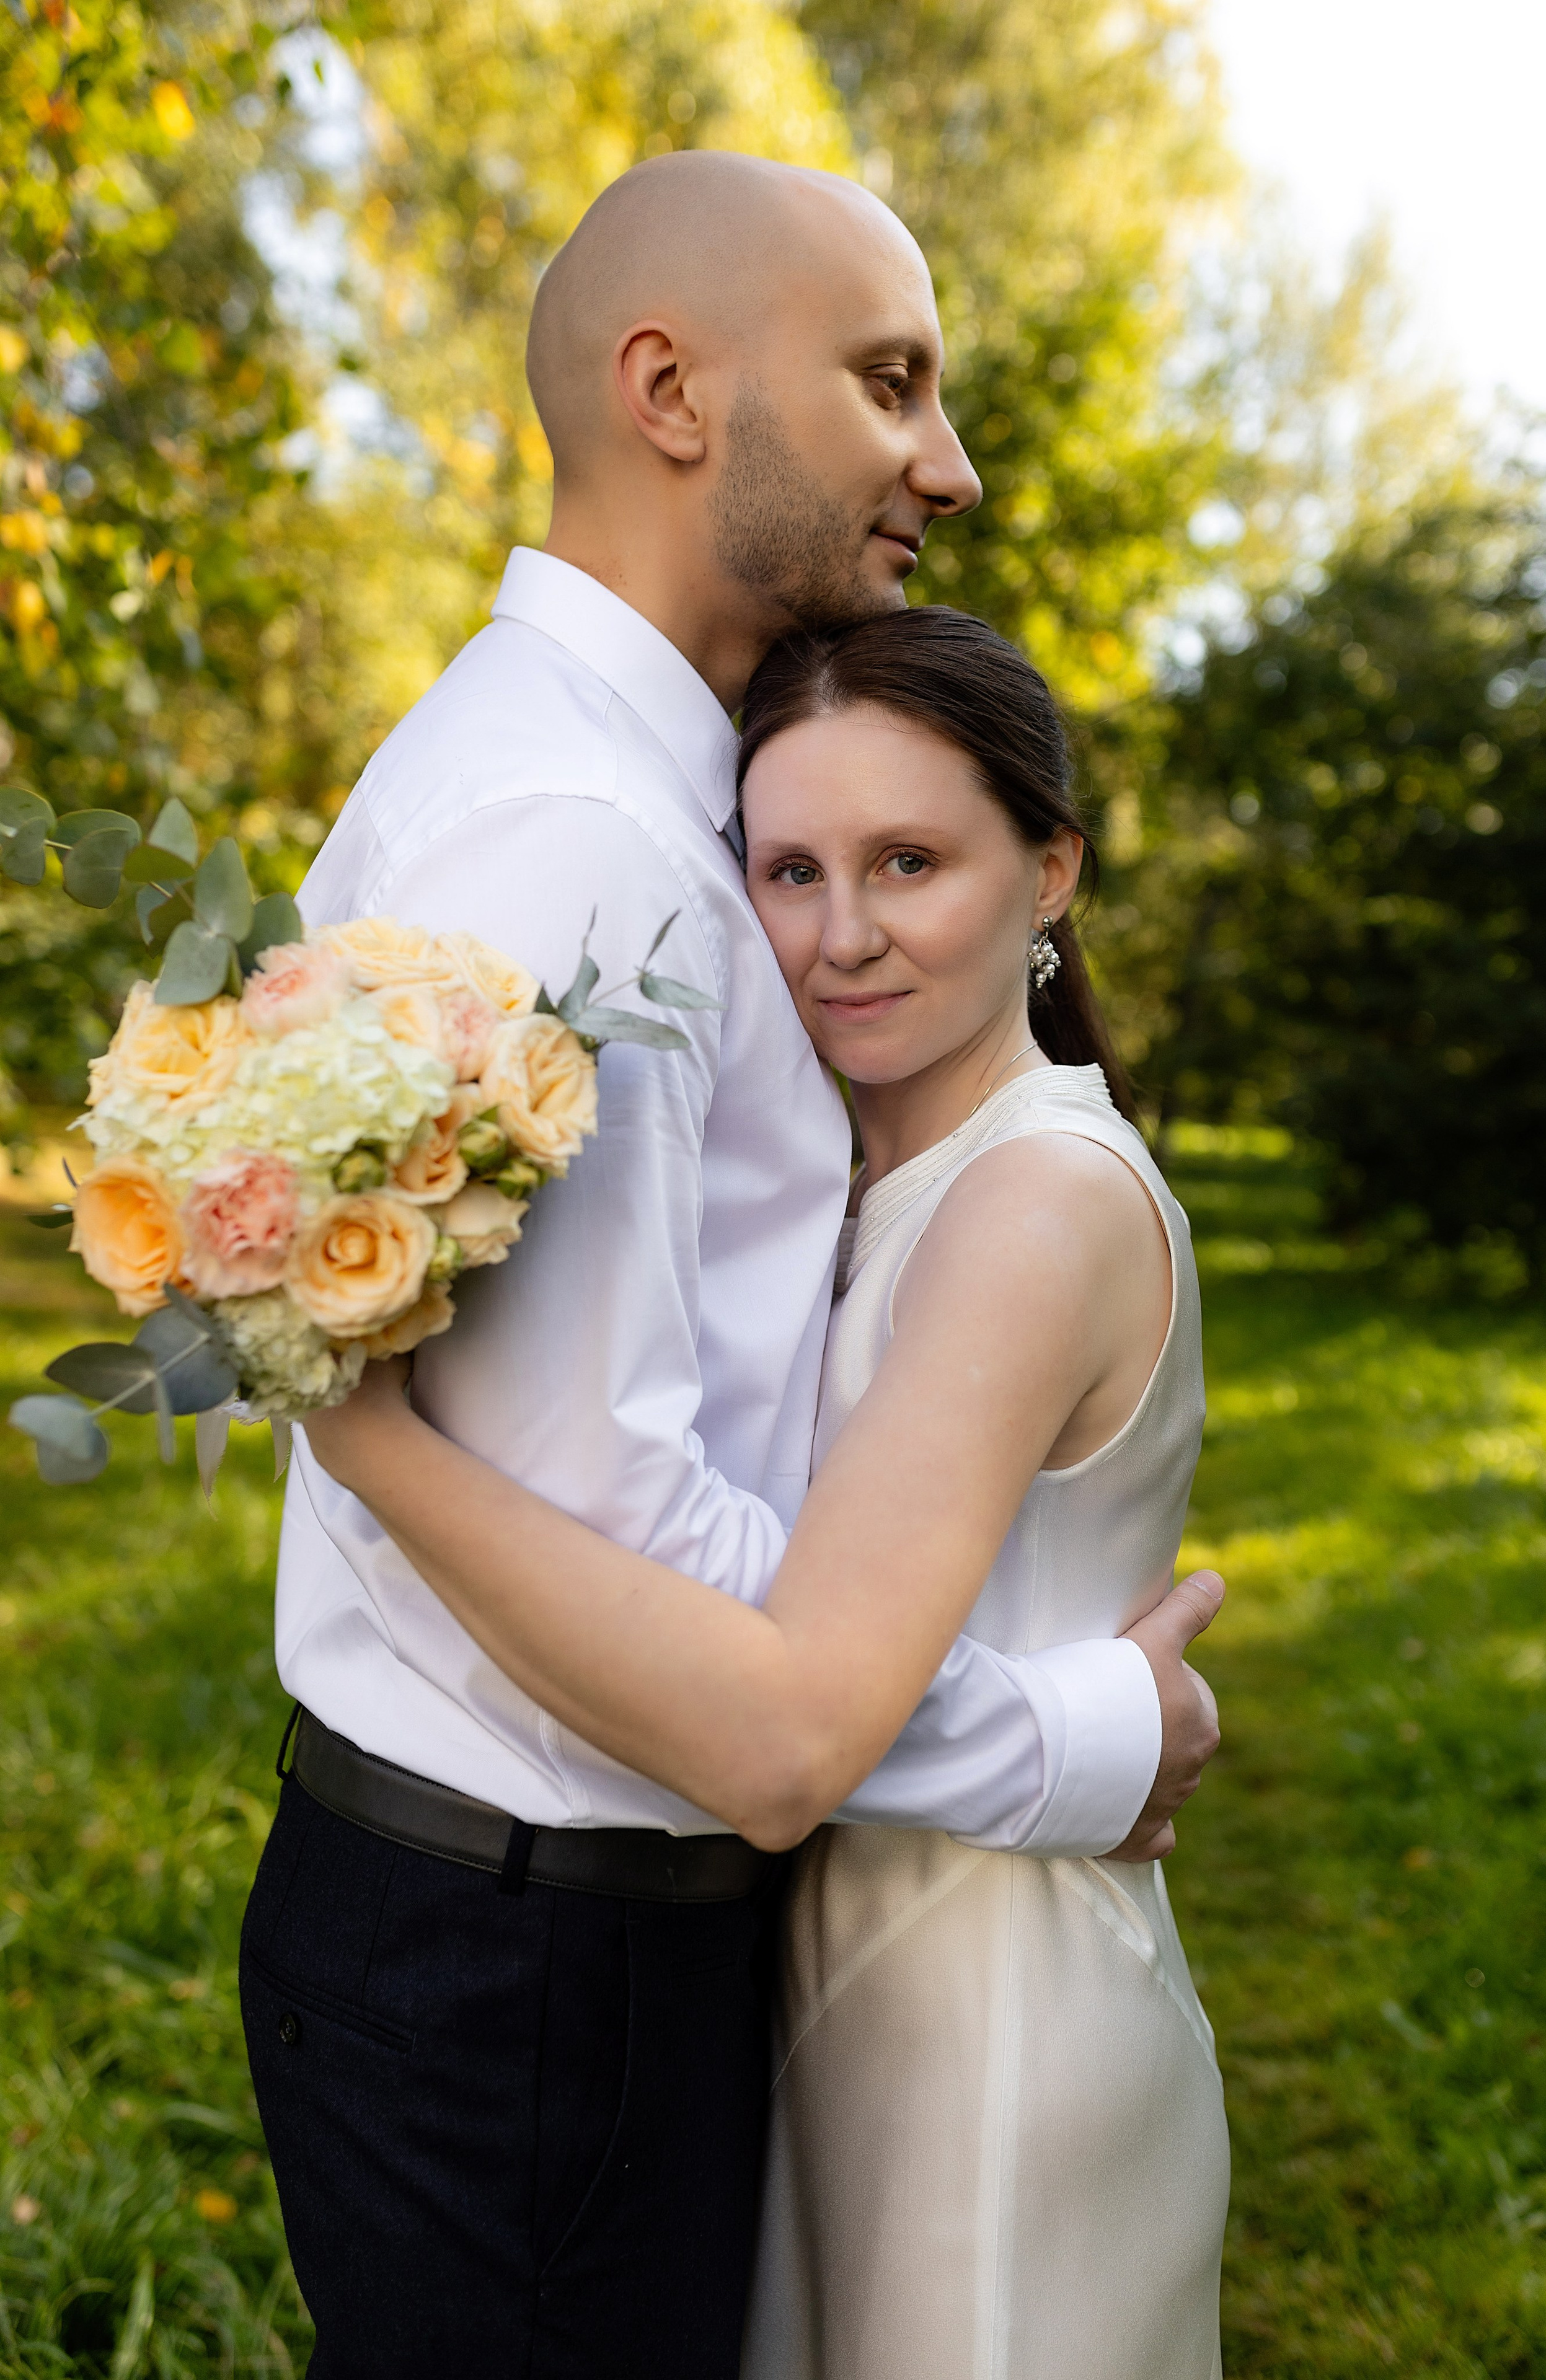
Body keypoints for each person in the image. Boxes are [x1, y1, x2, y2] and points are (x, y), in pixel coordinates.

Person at [247, 150, 1222, 2378]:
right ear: (673, 388)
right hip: (533, 1972)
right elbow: (646, 1577)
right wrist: (1074, 1737)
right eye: (894, 383)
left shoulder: (617, 789)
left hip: (543, 1946)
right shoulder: (585, 850)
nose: (949, 469)